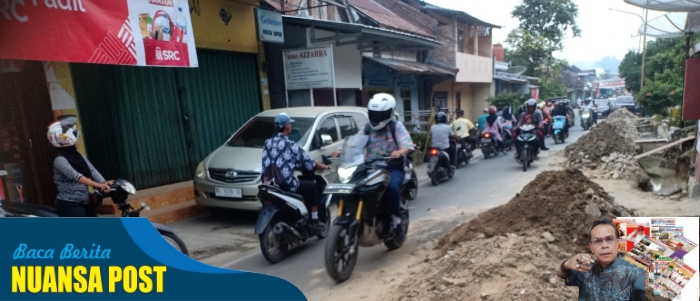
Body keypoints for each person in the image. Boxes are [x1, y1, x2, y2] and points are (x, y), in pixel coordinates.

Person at [356, 93, 415, 239]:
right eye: (374, 114)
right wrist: (340, 151)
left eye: (380, 114)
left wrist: (400, 151)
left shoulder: (396, 126)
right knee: (354, 186)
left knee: (393, 188)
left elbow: (408, 145)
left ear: (389, 113)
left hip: (393, 167)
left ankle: (397, 221)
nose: (377, 117)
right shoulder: (367, 128)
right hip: (371, 168)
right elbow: (356, 142)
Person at [261, 112, 331, 232]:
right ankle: (314, 220)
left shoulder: (267, 143)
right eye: (290, 124)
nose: (291, 127)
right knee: (311, 187)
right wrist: (323, 167)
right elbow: (309, 162)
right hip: (286, 185)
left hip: (269, 183)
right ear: (287, 127)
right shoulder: (291, 145)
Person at [557, 218, 647, 300]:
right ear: (591, 247)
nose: (604, 245)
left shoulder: (636, 274)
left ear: (618, 243)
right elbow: (562, 274)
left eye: (609, 239)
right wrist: (566, 265)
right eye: (598, 241)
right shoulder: (587, 269)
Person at [47, 116, 113, 217]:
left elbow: (92, 171)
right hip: (70, 204)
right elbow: (76, 176)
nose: (77, 139)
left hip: (85, 202)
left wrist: (104, 182)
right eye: (75, 136)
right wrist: (98, 185)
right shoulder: (59, 159)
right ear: (66, 138)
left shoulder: (77, 155)